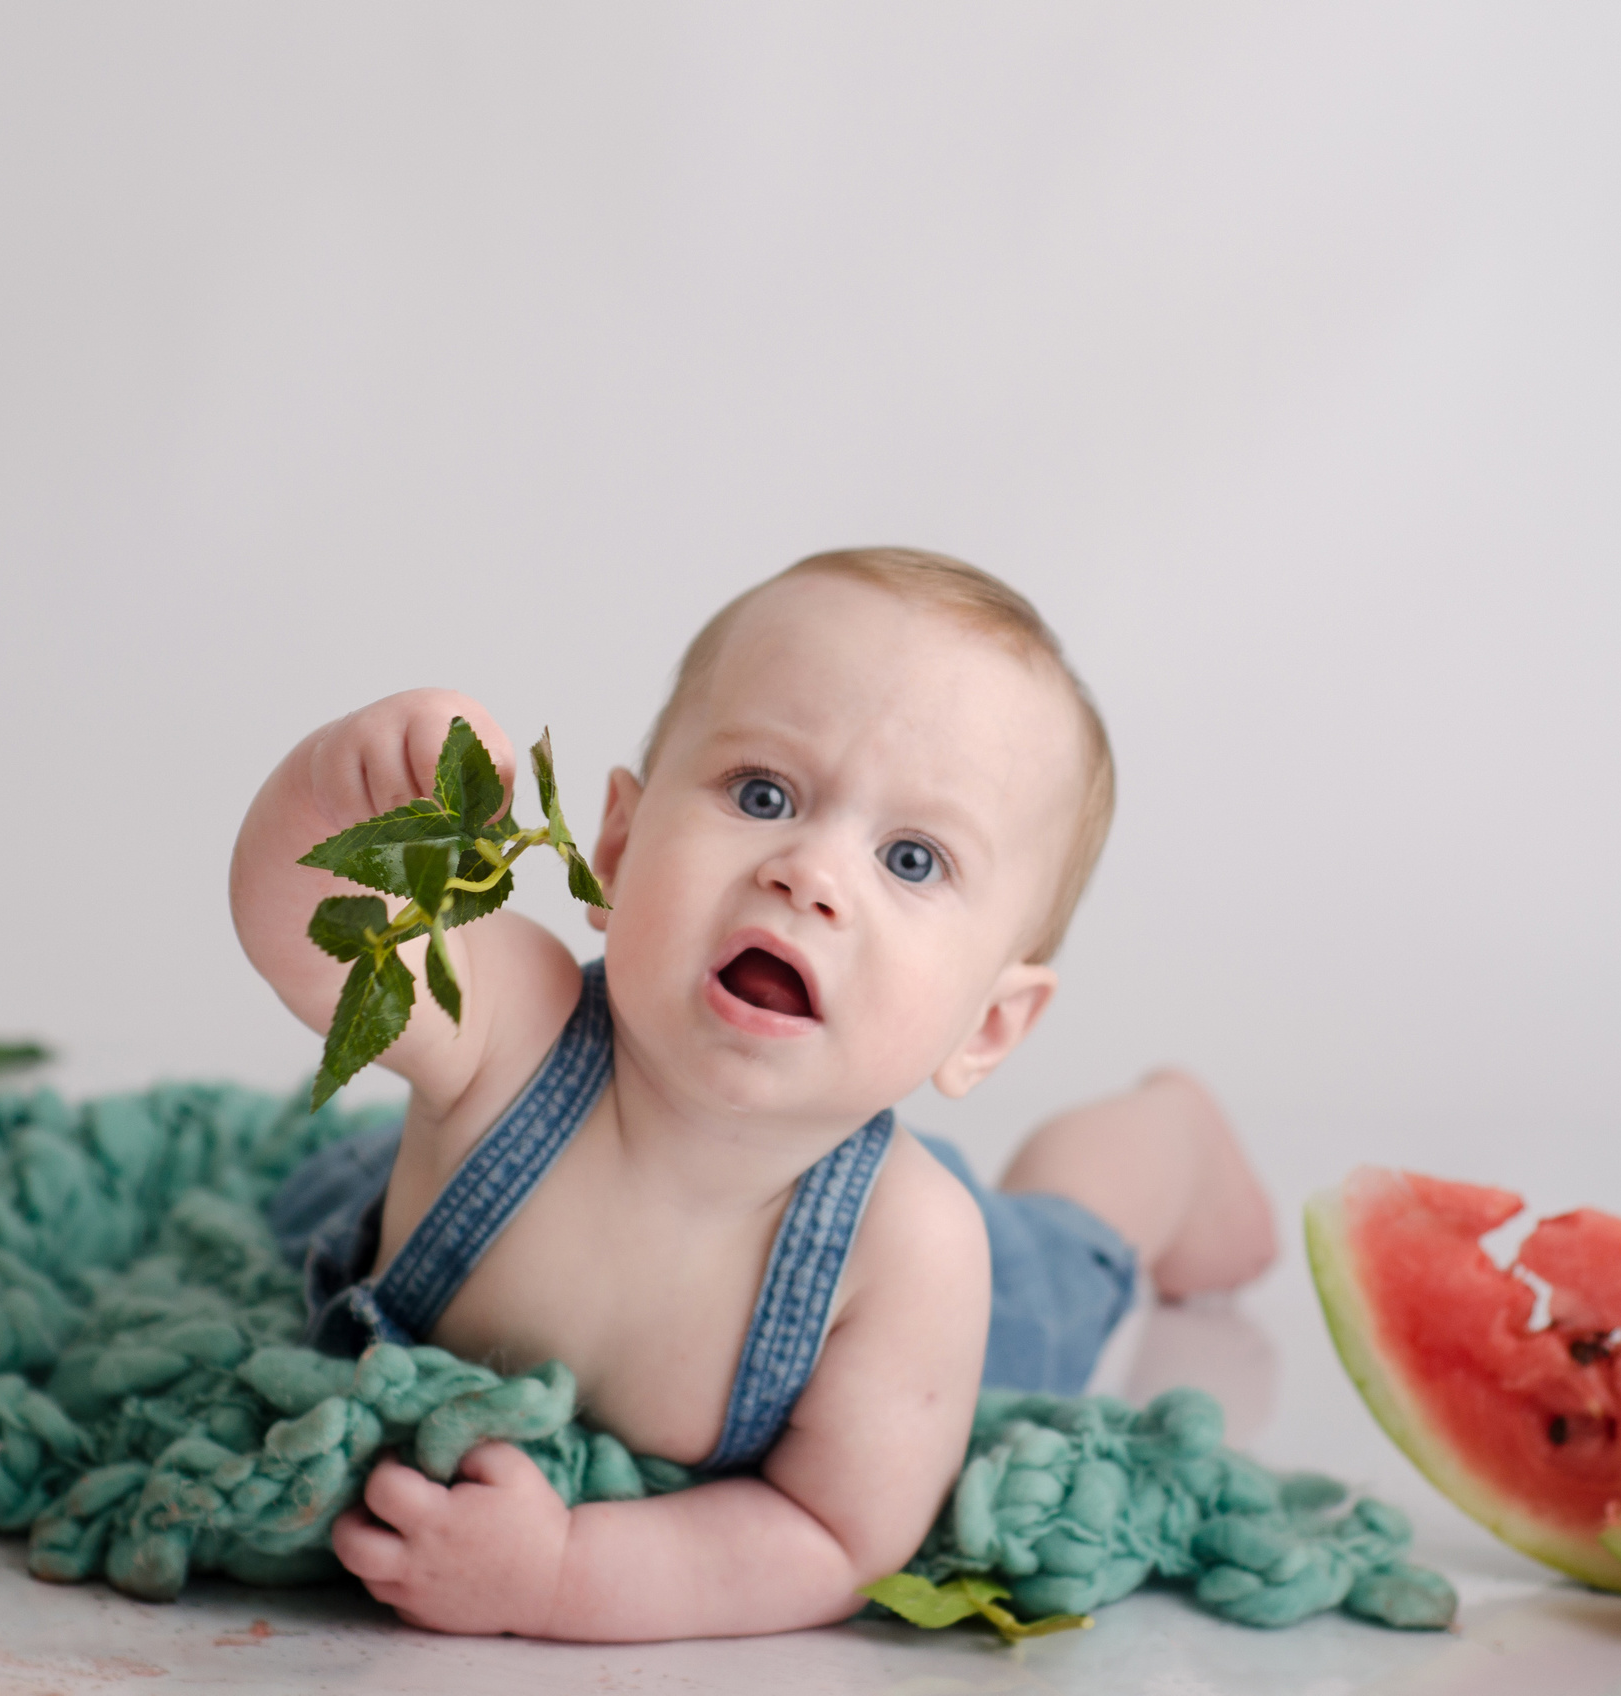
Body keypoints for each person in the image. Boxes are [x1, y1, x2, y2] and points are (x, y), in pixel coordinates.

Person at [231, 548, 1276, 1641]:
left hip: (902, 1321)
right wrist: (332, 791)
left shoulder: (915, 1253)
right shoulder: (517, 1027)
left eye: (912, 859)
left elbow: (831, 1535)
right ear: (620, 845)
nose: (809, 872)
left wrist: (560, 1574)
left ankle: (1174, 1134)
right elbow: (302, 936)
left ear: (989, 1024)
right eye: (762, 793)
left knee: (1066, 1236)